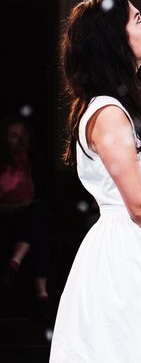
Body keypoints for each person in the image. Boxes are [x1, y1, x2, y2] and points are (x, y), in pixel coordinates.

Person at [49, 0, 141, 363]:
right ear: (114, 40)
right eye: (139, 19)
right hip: (123, 251)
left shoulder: (117, 107)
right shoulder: (109, 112)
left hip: (135, 247)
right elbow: (139, 206)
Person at [0, 114, 51, 319]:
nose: (20, 139)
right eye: (14, 135)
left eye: (23, 134)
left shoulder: (36, 164)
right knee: (38, 227)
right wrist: (17, 205)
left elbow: (46, 198)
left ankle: (14, 264)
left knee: (38, 219)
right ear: (5, 139)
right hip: (7, 217)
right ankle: (42, 294)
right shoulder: (2, 166)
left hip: (31, 217)